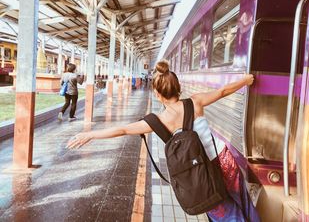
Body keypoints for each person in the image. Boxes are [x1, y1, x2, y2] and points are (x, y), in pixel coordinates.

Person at [67, 60, 260, 221]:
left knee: (226, 215)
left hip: (201, 176)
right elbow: (224, 91)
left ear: (157, 95)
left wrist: (90, 134)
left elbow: (122, 130)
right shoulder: (196, 101)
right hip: (224, 160)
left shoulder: (157, 121)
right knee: (244, 203)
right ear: (179, 88)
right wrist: (245, 80)